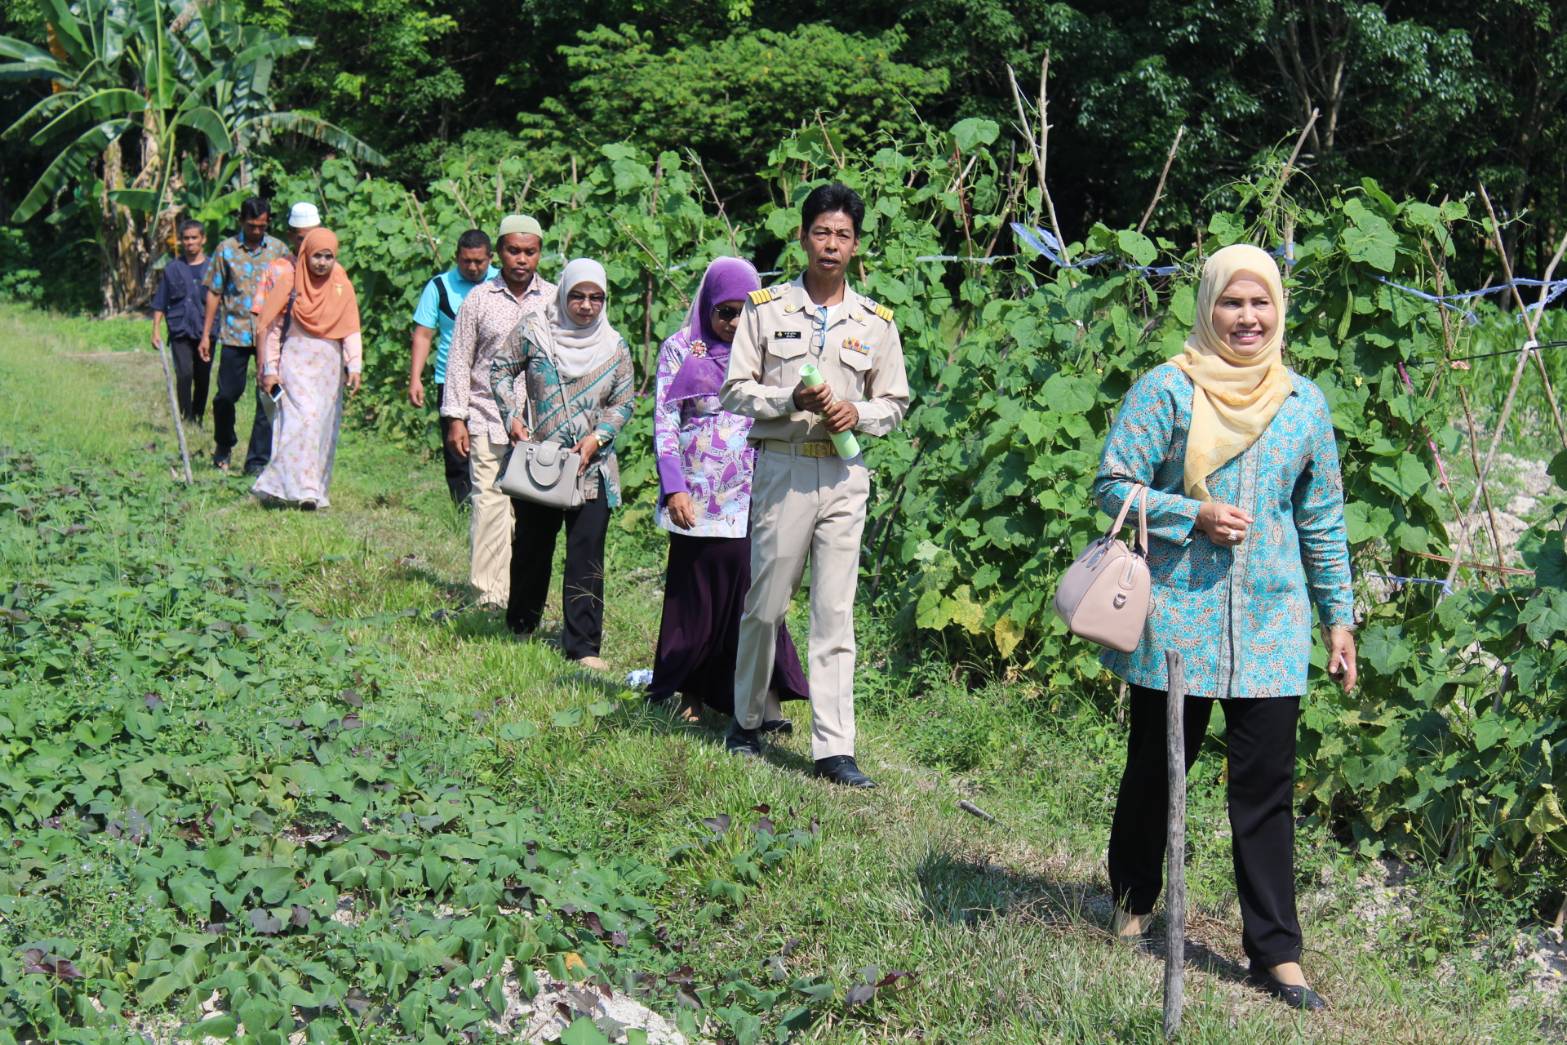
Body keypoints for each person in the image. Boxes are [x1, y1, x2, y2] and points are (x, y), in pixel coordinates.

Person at [1094, 243, 1356, 1011]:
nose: (1246, 317)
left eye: (1259, 302)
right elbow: (1110, 485)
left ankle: (1275, 952)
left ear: (1278, 309)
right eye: (1230, 302)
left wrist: (1338, 617)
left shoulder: (1302, 403)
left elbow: (1321, 518)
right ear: (1206, 307)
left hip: (1272, 621)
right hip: (1176, 615)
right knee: (1155, 767)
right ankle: (1133, 901)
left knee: (1265, 787)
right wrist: (1191, 513)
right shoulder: (1167, 389)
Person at [719, 183, 910, 789]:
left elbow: (895, 402)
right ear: (803, 237)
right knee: (766, 604)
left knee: (835, 612)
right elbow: (734, 390)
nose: (831, 244)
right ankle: (748, 719)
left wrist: (861, 412)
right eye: (822, 232)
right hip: (785, 467)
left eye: (843, 235)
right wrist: (789, 400)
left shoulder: (875, 322)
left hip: (845, 474)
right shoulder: (766, 308)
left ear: (856, 245)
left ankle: (834, 749)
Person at [649, 257, 810, 723]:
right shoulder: (681, 348)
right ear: (708, 306)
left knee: (753, 594)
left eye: (746, 311)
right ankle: (692, 693)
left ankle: (762, 698)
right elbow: (665, 422)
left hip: (755, 491)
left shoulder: (764, 348)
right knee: (695, 594)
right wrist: (674, 488)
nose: (735, 322)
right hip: (697, 495)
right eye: (725, 312)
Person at [491, 259, 634, 671]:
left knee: (586, 555)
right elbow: (500, 370)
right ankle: (522, 624)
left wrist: (597, 437)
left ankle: (583, 645)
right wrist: (512, 417)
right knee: (532, 547)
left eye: (596, 298)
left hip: (592, 467)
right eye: (578, 296)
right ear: (563, 294)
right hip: (541, 463)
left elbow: (623, 401)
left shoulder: (614, 346)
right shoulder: (536, 332)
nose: (586, 306)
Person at [441, 215, 555, 607]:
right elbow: (460, 361)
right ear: (500, 253)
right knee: (489, 504)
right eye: (513, 251)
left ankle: (522, 593)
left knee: (530, 512)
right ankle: (489, 594)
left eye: (530, 252)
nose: (521, 259)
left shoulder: (554, 299)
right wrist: (455, 417)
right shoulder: (479, 299)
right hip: (486, 416)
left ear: (539, 253)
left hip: (538, 424)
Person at [250, 228, 362, 510]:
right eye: (317, 256)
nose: (322, 263)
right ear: (305, 254)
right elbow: (272, 328)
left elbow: (350, 327)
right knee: (303, 420)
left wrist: (354, 364)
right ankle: (299, 487)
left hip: (328, 368)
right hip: (295, 362)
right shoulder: (290, 280)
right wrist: (270, 368)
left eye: (328, 257)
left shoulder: (341, 283)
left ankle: (307, 489)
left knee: (321, 427)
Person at [199, 197, 290, 474]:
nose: (257, 231)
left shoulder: (279, 250)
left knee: (268, 395)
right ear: (241, 222)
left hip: (270, 335)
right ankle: (224, 443)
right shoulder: (226, 250)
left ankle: (257, 461)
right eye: (252, 226)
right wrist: (206, 335)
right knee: (225, 396)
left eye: (262, 226)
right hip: (235, 334)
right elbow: (214, 292)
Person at [409, 229, 498, 504]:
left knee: (495, 445)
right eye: (466, 261)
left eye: (479, 261)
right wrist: (415, 378)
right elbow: (424, 334)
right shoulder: (439, 286)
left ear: (491, 258)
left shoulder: (503, 283)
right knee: (457, 449)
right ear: (456, 257)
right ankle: (462, 510)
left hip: (494, 381)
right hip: (449, 380)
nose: (472, 267)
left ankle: (494, 507)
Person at [150, 218, 214, 423]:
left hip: (206, 331)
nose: (190, 242)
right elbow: (161, 301)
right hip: (180, 329)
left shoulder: (213, 268)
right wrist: (156, 329)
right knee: (184, 373)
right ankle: (186, 419)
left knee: (202, 377)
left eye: (194, 238)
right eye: (186, 238)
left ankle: (198, 416)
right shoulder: (172, 269)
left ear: (203, 239)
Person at [250, 202, 322, 323]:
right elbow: (260, 314)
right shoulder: (276, 270)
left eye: (313, 237)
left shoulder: (332, 270)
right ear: (290, 236)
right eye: (302, 239)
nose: (308, 243)